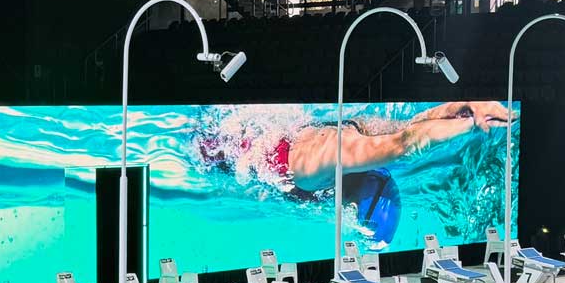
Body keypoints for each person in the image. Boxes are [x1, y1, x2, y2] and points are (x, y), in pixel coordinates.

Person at [194, 101, 513, 194]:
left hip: (323, 137)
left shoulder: (330, 161)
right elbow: (405, 143)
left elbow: (411, 130)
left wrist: (469, 108)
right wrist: (472, 123)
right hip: (243, 148)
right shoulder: (319, 166)